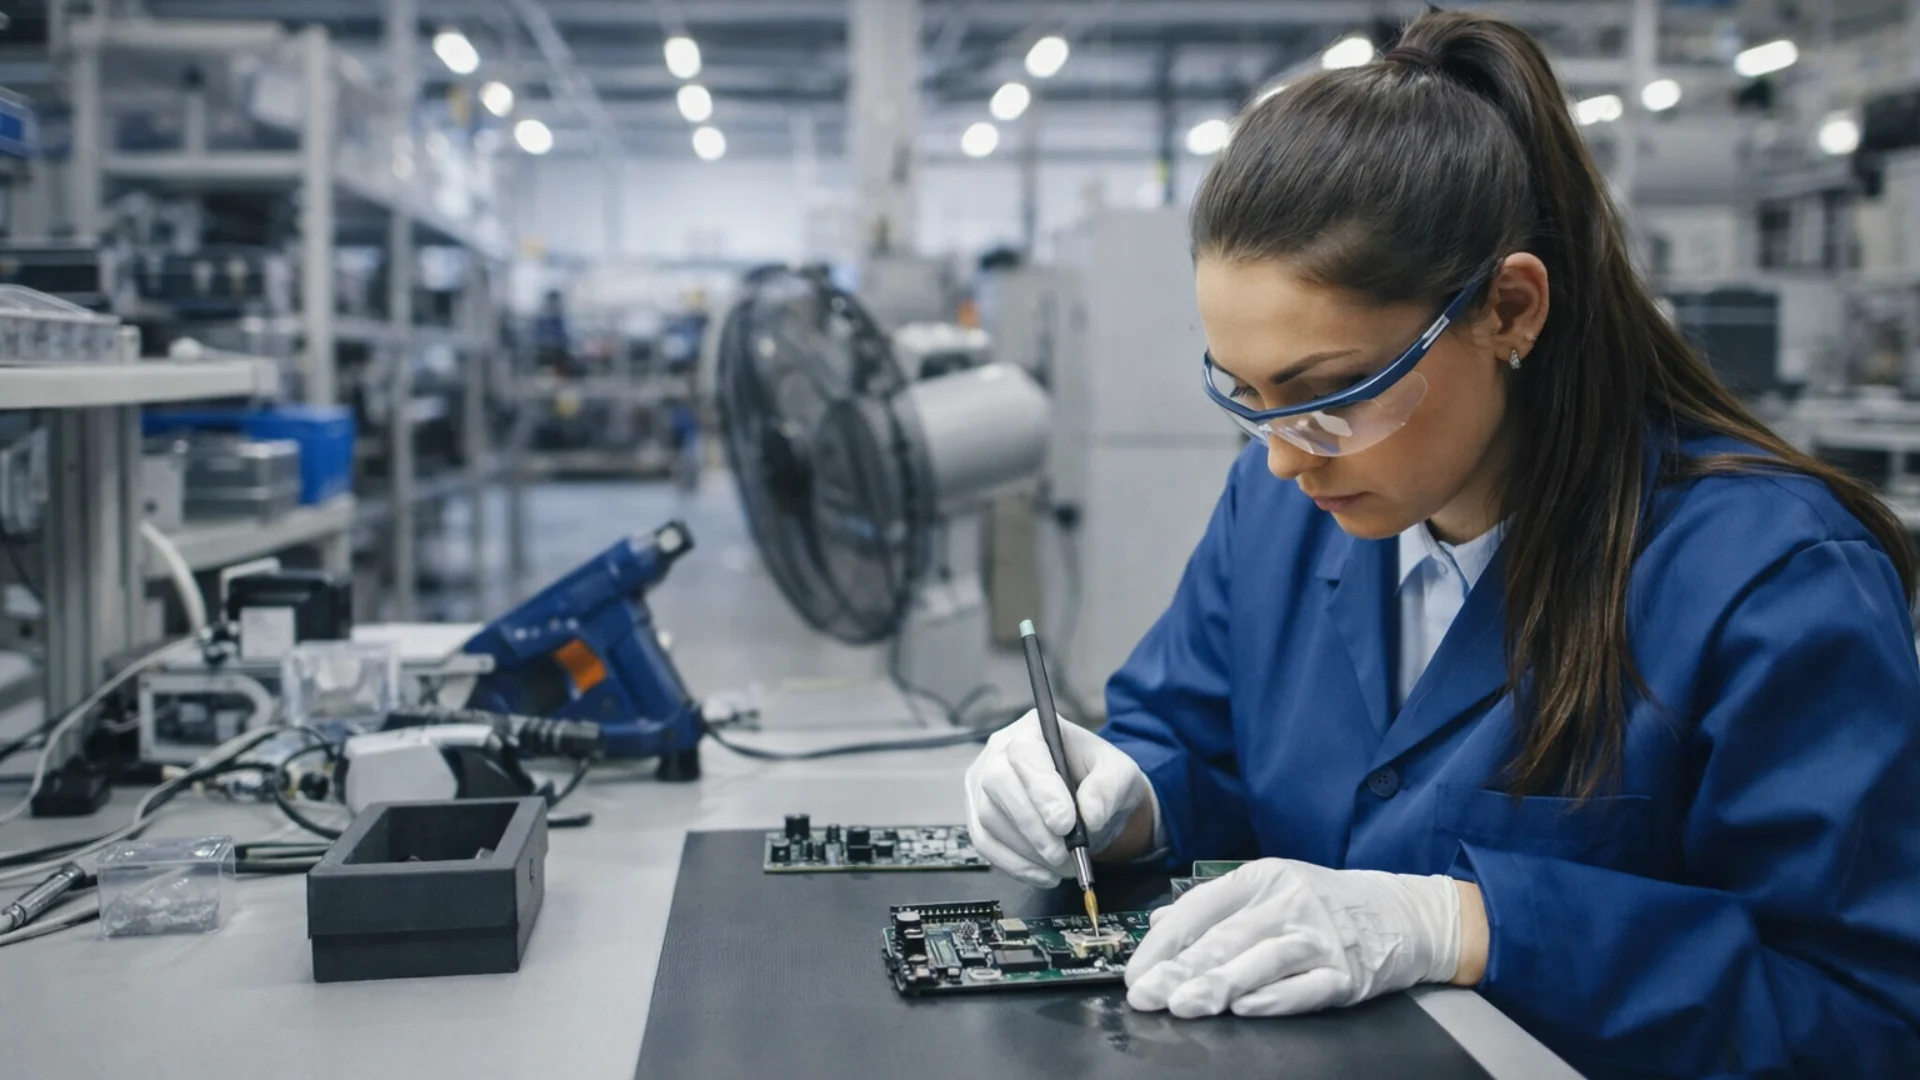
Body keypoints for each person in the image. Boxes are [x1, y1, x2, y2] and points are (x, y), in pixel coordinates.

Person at [963, 10, 1920, 1078]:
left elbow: (1861, 1017)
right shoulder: (1277, 508)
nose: (1285, 458)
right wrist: (1119, 795)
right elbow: (1197, 744)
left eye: (1330, 396)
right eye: (1250, 397)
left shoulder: (1768, 582)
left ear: (1509, 310)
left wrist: (1468, 926)